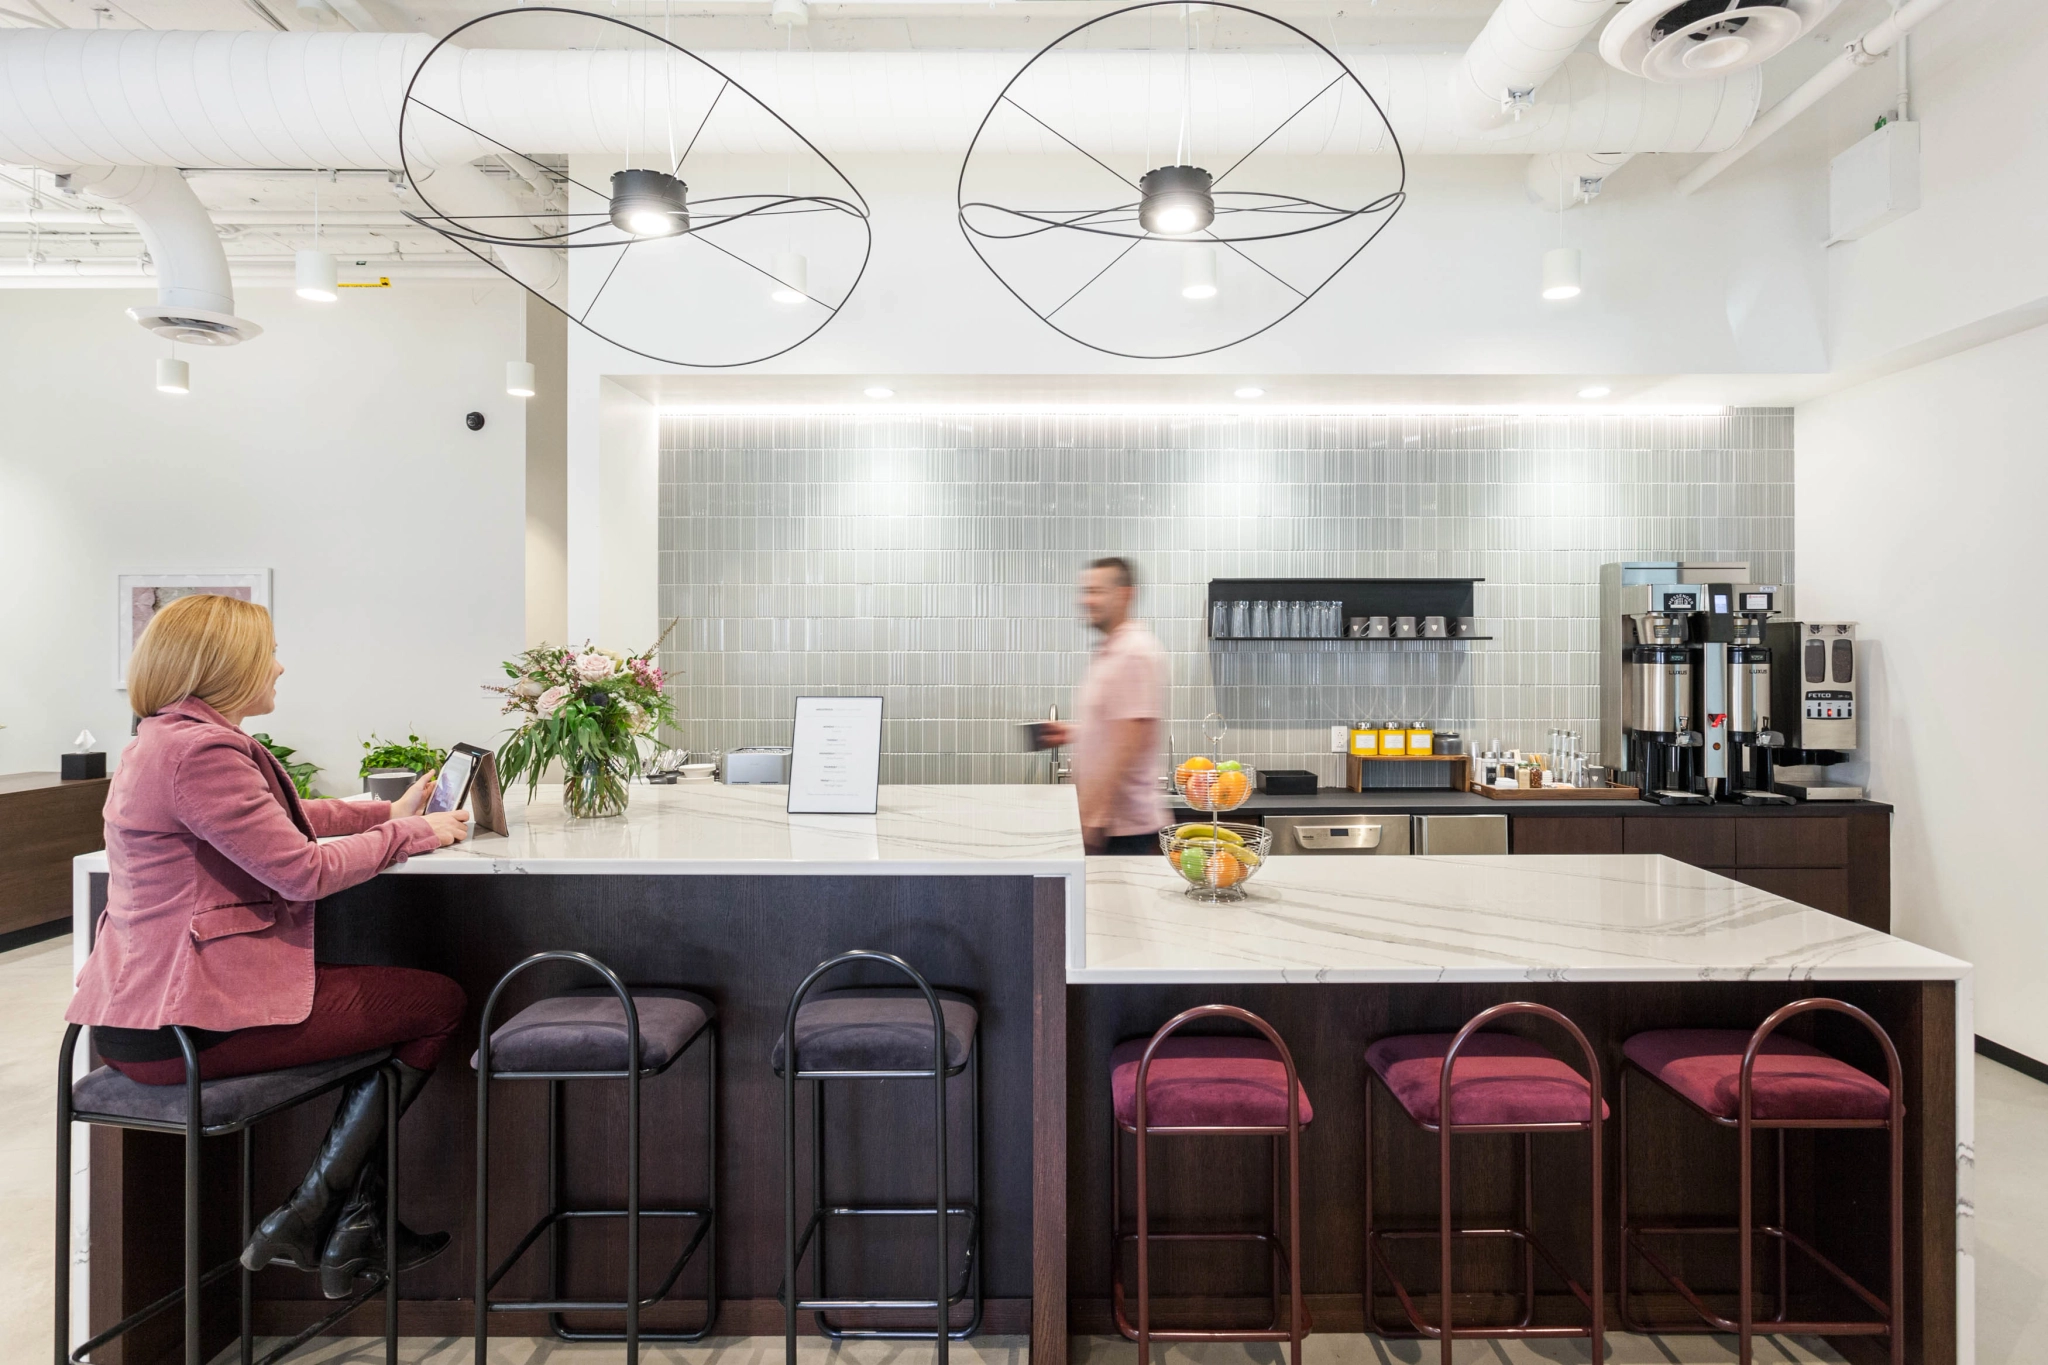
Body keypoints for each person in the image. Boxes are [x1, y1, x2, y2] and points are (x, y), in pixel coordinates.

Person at [66, 593, 472, 1299]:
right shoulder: (200, 751)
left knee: (395, 1011)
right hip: (182, 1029)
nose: (280, 667)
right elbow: (300, 868)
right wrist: (415, 834)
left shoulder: (167, 740)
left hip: (141, 1019)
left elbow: (281, 817)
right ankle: (314, 1211)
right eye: (269, 654)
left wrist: (386, 810)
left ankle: (344, 1223)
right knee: (436, 1002)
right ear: (226, 666)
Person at [1038, 557, 1168, 854]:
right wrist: (1073, 732)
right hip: (1111, 824)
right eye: (1085, 591)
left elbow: (1127, 743)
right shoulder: (1113, 650)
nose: (1087, 600)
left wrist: (1094, 818)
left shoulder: (1134, 652)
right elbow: (1116, 727)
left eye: (1097, 591)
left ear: (1125, 594)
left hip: (1123, 829)